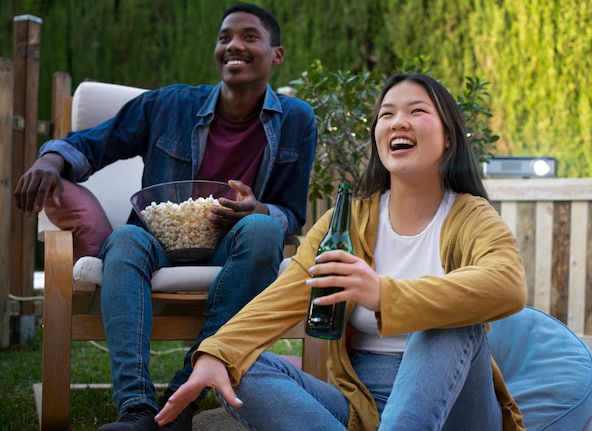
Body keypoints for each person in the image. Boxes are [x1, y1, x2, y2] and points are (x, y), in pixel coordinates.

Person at [155, 73, 529, 431]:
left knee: (446, 322)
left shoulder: (472, 215)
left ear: (448, 137)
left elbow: (508, 285)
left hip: (457, 409)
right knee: (241, 368)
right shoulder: (348, 221)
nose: (398, 122)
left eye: (417, 111)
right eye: (387, 114)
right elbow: (286, 295)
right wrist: (217, 353)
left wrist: (383, 294)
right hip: (364, 405)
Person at [14, 3, 316, 431]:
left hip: (234, 247)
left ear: (276, 54)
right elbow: (92, 143)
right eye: (225, 36)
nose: (234, 44)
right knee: (125, 239)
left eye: (250, 36)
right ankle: (136, 408)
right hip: (157, 243)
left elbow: (291, 212)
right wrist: (49, 162)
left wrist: (259, 209)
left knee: (265, 228)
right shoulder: (167, 104)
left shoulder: (298, 121)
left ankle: (183, 396)